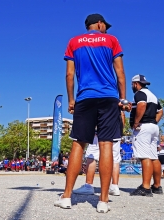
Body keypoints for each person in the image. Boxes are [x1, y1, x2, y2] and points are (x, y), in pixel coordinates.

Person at [54, 13, 128, 213]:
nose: (106, 29)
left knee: (78, 144)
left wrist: (71, 100)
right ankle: (103, 201)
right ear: (99, 23)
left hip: (85, 98)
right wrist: (122, 99)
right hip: (108, 97)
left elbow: (69, 74)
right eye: (105, 26)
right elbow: (120, 73)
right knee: (106, 145)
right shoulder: (112, 40)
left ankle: (67, 197)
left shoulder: (74, 42)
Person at [73, 111, 126, 196]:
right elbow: (122, 115)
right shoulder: (115, 99)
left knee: (91, 156)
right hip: (116, 131)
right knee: (115, 159)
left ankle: (88, 186)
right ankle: (114, 186)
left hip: (100, 131)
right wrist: (120, 132)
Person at [129, 74, 164, 196]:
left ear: (135, 84)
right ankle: (157, 186)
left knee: (145, 156)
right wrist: (153, 121)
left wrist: (137, 122)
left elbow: (142, 105)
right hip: (153, 127)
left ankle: (145, 187)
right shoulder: (152, 95)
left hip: (143, 127)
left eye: (132, 85)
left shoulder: (139, 94)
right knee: (153, 156)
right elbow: (160, 111)